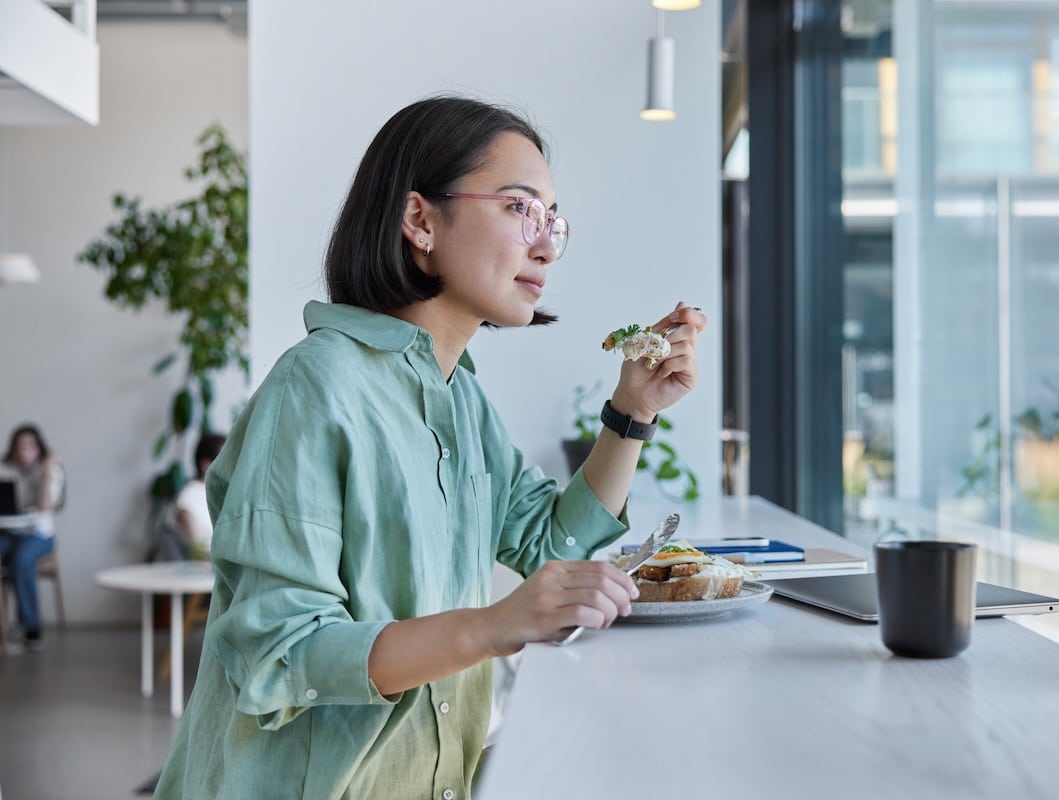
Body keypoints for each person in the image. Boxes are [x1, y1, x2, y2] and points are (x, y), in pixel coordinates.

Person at [153, 95, 706, 799]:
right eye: (518, 207)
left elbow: (548, 541)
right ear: (420, 219)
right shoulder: (316, 387)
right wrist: (494, 626)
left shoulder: (461, 400)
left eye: (552, 219)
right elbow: (280, 652)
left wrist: (632, 410)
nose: (544, 243)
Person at [0, 424, 66, 651]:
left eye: (30, 446)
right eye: (19, 447)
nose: (24, 451)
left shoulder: (51, 470)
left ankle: (31, 625)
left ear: (39, 448)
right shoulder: (5, 469)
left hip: (38, 535)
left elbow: (45, 507)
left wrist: (46, 471)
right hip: (6, 532)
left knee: (21, 559)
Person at [174, 433, 226, 560]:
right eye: (225, 462)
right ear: (206, 464)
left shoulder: (220, 493)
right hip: (202, 570)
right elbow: (196, 548)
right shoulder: (189, 497)